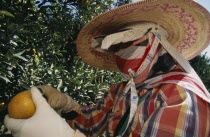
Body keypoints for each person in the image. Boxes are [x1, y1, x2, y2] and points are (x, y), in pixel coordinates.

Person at [4, 0, 210, 137]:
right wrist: (67, 106)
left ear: (157, 45)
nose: (121, 55)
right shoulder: (120, 92)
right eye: (116, 48)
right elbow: (92, 121)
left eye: (128, 43)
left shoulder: (182, 99)